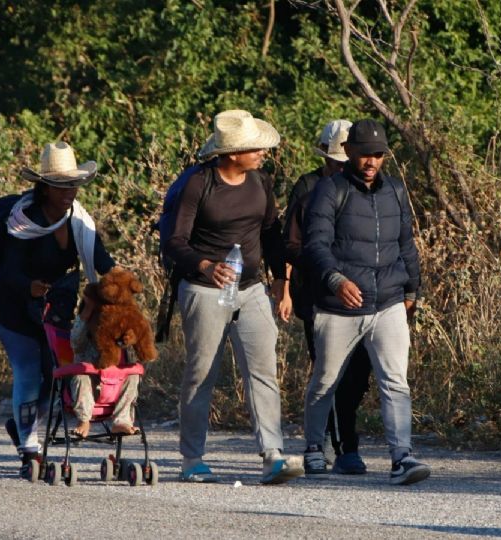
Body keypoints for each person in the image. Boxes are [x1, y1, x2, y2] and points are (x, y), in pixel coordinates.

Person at [166, 109, 304, 484]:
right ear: (231, 153)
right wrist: (206, 265)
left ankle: (272, 455)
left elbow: (271, 234)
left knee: (262, 372)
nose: (263, 152)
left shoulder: (260, 182)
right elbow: (174, 241)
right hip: (204, 290)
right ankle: (192, 459)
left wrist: (281, 280)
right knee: (201, 373)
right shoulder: (199, 184)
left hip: (251, 289)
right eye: (254, 147)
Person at [302, 118, 430, 485]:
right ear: (349, 152)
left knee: (395, 381)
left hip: (388, 299)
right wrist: (335, 279)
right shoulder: (329, 190)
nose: (371, 161)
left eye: (378, 154)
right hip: (339, 305)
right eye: (364, 154)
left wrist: (411, 291)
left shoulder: (395, 190)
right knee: (326, 381)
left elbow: (406, 243)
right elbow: (315, 245)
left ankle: (401, 456)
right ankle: (313, 447)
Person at [0, 142, 115, 477]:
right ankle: (30, 449)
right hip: (13, 310)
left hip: (54, 310)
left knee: (55, 374)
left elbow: (103, 262)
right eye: (60, 186)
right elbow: (8, 269)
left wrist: (121, 285)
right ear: (43, 188)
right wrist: (29, 287)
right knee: (31, 371)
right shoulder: (22, 220)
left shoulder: (79, 222)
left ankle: (24, 429)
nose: (68, 192)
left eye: (72, 185)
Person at [283, 119, 373, 475]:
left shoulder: (372, 189)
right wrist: (288, 285)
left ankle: (340, 441)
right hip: (319, 296)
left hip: (367, 296)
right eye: (336, 161)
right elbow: (289, 243)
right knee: (329, 373)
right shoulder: (307, 188)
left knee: (359, 376)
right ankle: (339, 446)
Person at [68, 282, 140, 438]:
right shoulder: (84, 326)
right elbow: (75, 343)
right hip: (90, 382)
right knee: (81, 377)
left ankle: (121, 420)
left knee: (133, 376)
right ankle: (84, 420)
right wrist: (88, 311)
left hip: (113, 383)